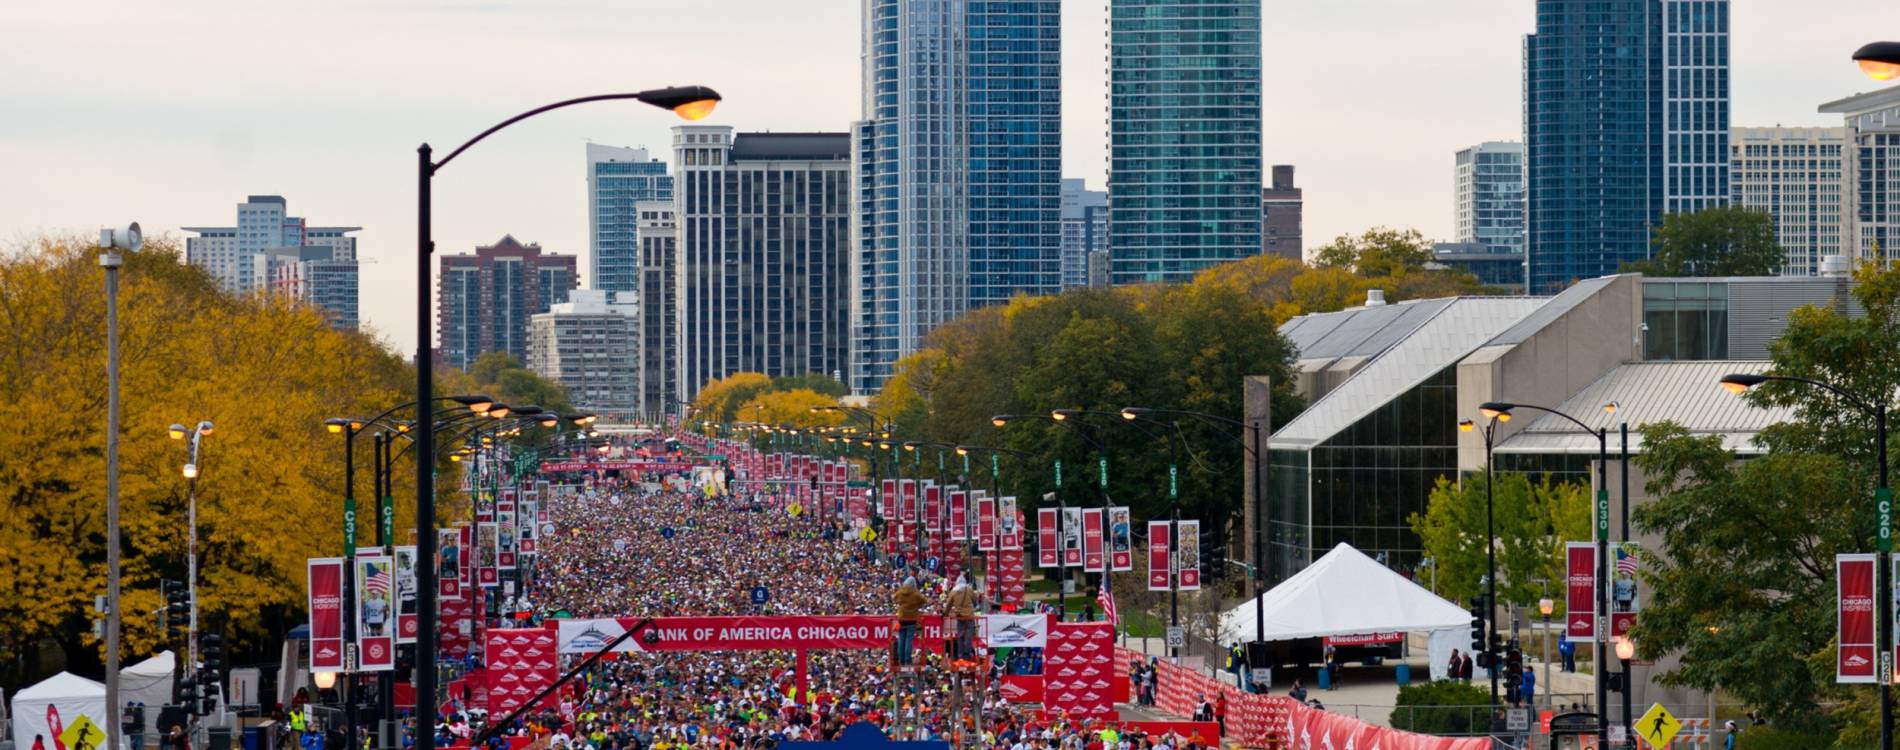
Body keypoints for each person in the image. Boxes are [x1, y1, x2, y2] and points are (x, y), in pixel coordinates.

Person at [944, 576, 981, 660]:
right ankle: (967, 655)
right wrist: (974, 606)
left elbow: (948, 604)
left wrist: (945, 614)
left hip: (960, 617)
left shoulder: (953, 591)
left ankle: (960, 655)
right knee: (969, 637)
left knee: (960, 637)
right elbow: (975, 600)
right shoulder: (969, 589)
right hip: (969, 617)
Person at [892, 576, 926, 666]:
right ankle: (907, 660)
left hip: (901, 618)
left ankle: (901, 660)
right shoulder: (915, 593)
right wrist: (916, 605)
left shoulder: (900, 592)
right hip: (911, 619)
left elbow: (894, 598)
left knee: (901, 640)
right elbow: (924, 600)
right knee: (908, 640)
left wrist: (902, 603)